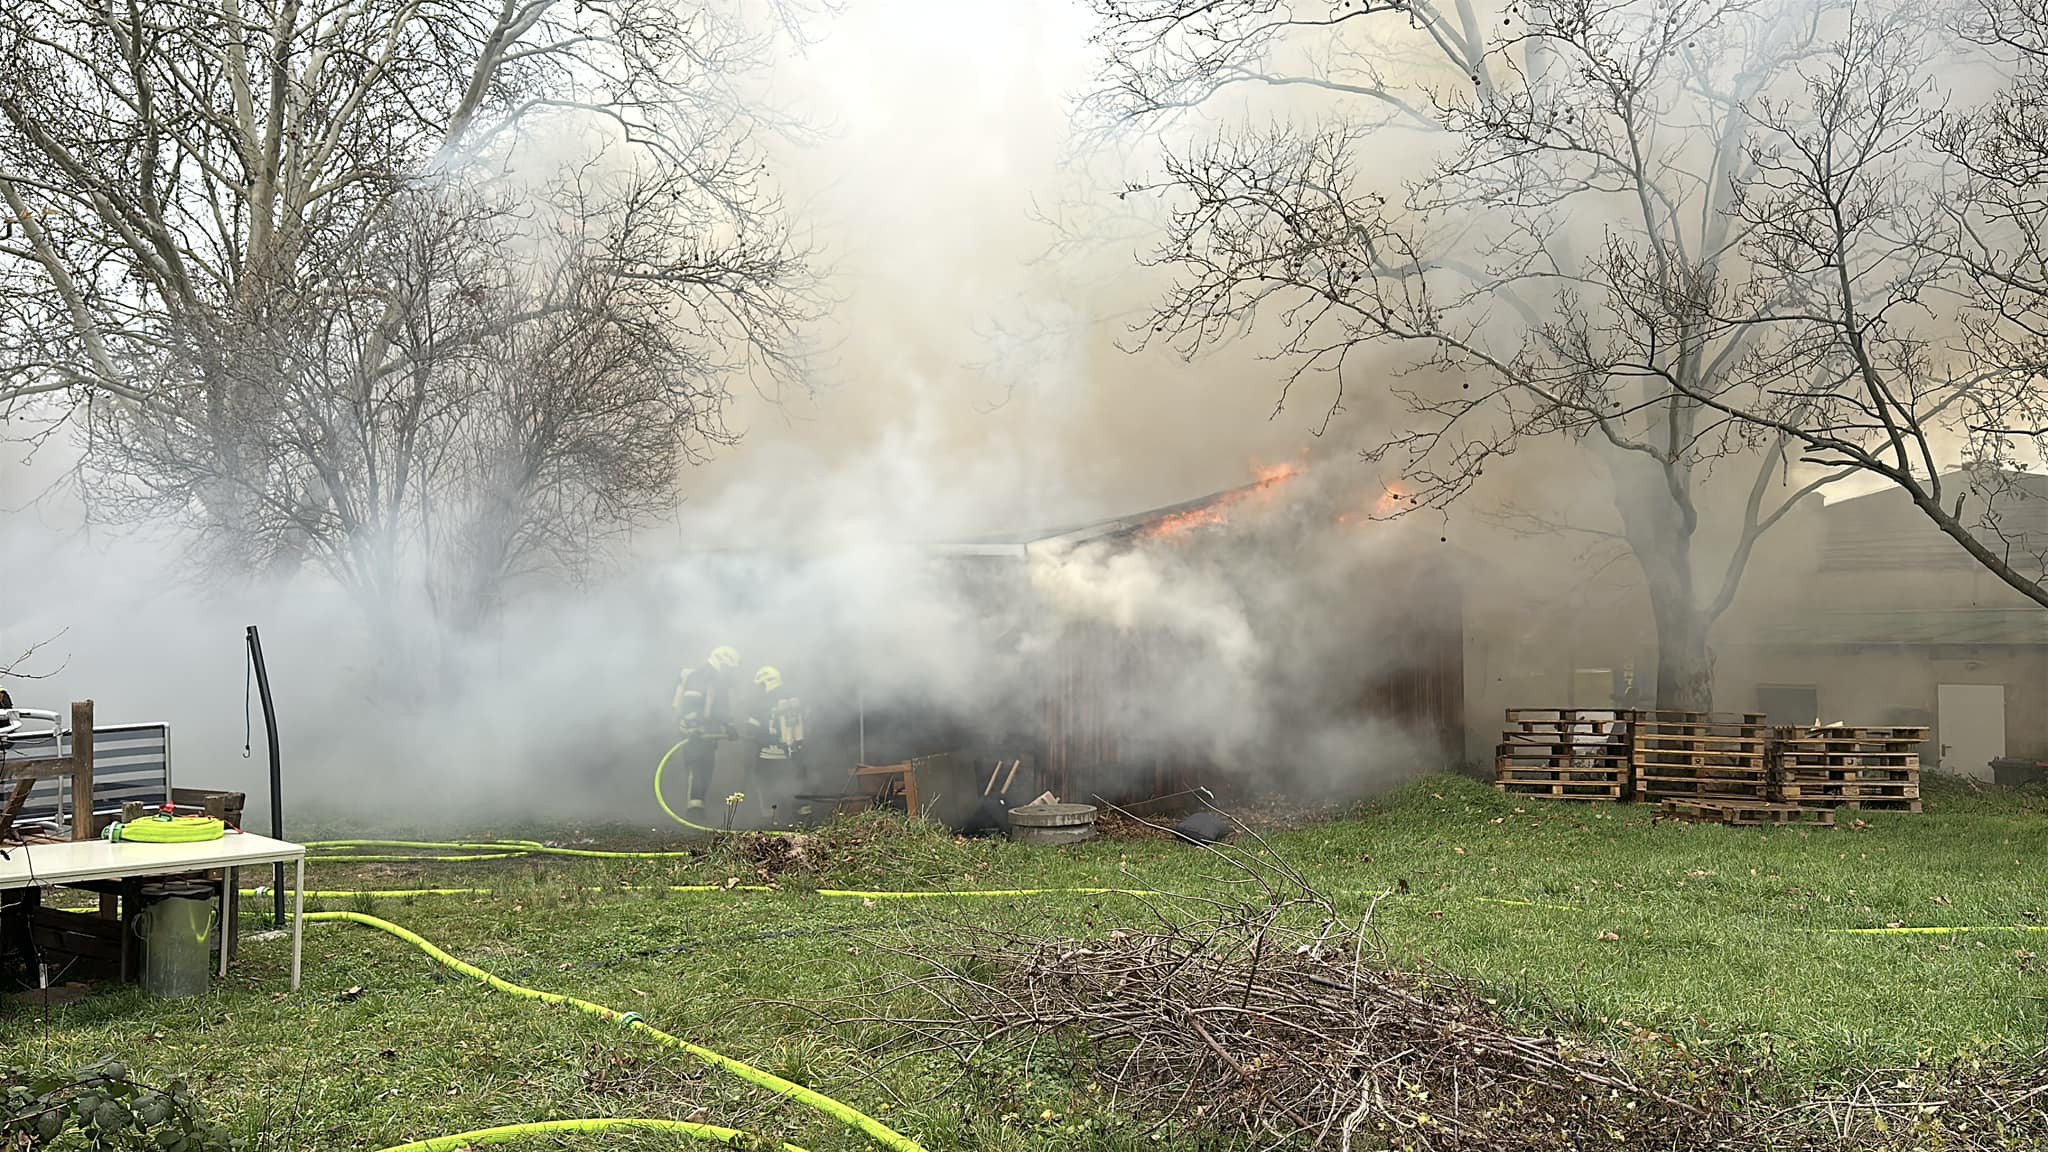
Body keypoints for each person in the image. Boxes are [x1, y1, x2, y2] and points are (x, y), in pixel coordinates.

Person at [672, 646, 741, 813]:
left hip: (709, 734)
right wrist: (693, 728)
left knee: (707, 768)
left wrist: (729, 726)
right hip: (694, 734)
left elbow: (720, 709)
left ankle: (698, 806)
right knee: (696, 768)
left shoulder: (717, 680)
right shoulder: (700, 676)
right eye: (729, 668)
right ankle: (693, 809)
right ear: (721, 663)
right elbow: (690, 705)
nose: (731, 673)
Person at [744, 666, 809, 824]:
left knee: (765, 783)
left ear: (765, 683)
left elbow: (751, 728)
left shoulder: (761, 702)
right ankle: (804, 819)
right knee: (797, 784)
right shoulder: (794, 699)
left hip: (769, 753)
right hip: (794, 753)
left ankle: (770, 821)